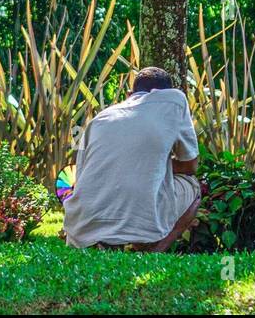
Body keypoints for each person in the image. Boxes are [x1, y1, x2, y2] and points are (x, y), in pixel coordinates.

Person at [62, 67, 201, 251]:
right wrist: (153, 165)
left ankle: (108, 241)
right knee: (195, 188)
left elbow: (81, 175)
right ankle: (152, 252)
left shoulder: (100, 118)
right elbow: (190, 166)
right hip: (141, 215)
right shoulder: (173, 101)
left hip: (83, 223)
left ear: (130, 94)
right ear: (164, 92)